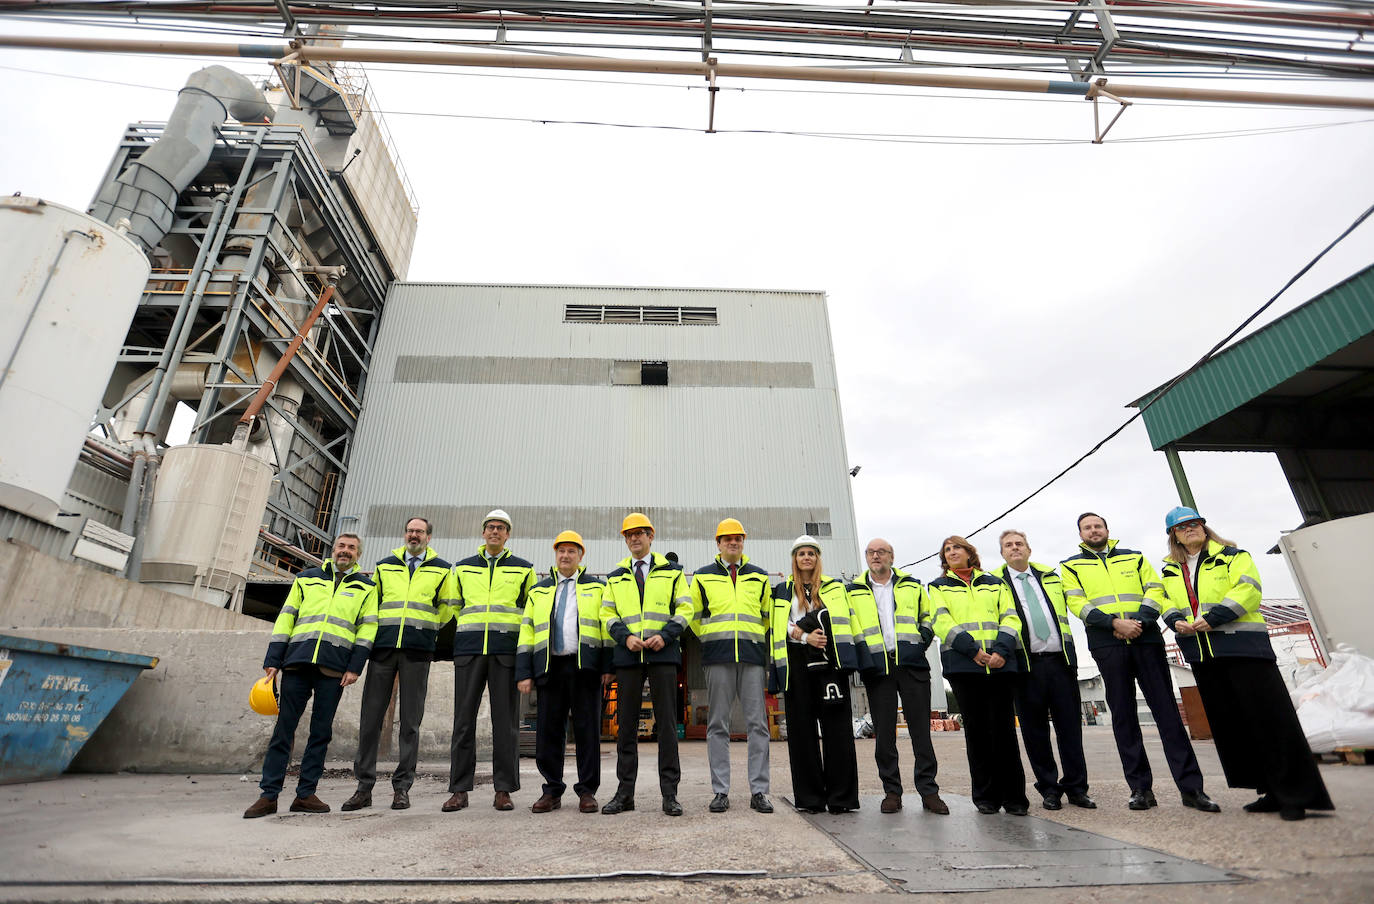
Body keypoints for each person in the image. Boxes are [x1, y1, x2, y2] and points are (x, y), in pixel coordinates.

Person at [1158, 506, 1333, 822]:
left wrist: (1213, 618)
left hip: (1243, 649)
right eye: (1182, 527)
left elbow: (1248, 590)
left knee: (1271, 722)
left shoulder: (1234, 556)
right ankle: (1269, 790)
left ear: (1205, 527)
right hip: (1203, 655)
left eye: (1195, 523)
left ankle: (1295, 794)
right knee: (1236, 726)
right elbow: (1163, 600)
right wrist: (1175, 620)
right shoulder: (1170, 569)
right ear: (1174, 535)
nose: (1190, 529)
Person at [1061, 512, 1219, 813]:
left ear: (1107, 529)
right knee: (1124, 718)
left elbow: (1155, 589)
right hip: (1108, 643)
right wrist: (1114, 624)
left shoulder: (1134, 558)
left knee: (1168, 715)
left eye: (1098, 525)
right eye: (1087, 527)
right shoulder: (1071, 566)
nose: (1093, 530)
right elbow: (1076, 602)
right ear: (1080, 534)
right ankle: (1140, 790)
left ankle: (1192, 790)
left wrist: (1140, 621)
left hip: (1146, 639)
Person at [243, 533, 377, 818]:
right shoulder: (307, 578)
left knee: (320, 732)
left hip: (334, 667)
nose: (345, 551)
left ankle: (305, 794)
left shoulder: (366, 587)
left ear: (358, 554)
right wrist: (273, 660)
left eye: (351, 548)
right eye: (341, 546)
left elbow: (367, 629)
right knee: (284, 730)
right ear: (333, 550)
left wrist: (355, 667)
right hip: (297, 662)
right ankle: (268, 795)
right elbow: (287, 617)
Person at [342, 517, 451, 813]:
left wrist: (425, 629)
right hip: (384, 648)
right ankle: (363, 788)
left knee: (411, 723)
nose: (414, 535)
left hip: (418, 650)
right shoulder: (384, 565)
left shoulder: (442, 569)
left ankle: (402, 788)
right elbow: (373, 604)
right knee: (370, 720)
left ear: (428, 536)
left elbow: (448, 606)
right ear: (405, 534)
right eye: (410, 530)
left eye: (420, 531)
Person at [599, 512, 694, 816]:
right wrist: (624, 637)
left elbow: (685, 608)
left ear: (651, 536)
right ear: (625, 539)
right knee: (625, 727)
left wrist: (666, 636)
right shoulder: (615, 576)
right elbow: (607, 614)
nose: (635, 538)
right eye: (629, 534)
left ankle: (670, 794)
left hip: (662, 654)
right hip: (628, 656)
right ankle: (625, 793)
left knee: (666, 726)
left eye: (640, 533)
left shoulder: (673, 572)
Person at [442, 509, 535, 813]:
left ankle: (503, 789)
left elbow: (528, 612)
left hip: (504, 652)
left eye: (501, 528)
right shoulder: (463, 568)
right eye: (490, 527)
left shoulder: (523, 569)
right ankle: (459, 790)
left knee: (505, 723)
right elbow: (455, 606)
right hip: (469, 650)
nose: (495, 532)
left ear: (508, 535)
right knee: (463, 722)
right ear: (483, 533)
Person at [928, 535, 1029, 815]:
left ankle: (1015, 799)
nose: (951, 552)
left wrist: (1000, 651)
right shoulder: (938, 587)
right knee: (977, 734)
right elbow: (941, 620)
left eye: (956, 547)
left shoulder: (995, 584)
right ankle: (985, 797)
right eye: (947, 550)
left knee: (1005, 732)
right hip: (965, 667)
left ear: (969, 553)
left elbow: (1011, 617)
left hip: (1000, 664)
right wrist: (973, 651)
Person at [848, 537, 948, 816]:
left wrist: (920, 643)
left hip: (911, 665)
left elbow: (929, 617)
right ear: (866, 557)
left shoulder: (912, 585)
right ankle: (892, 792)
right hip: (878, 669)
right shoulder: (854, 590)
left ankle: (929, 791)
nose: (875, 556)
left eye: (881, 552)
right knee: (884, 735)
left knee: (920, 733)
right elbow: (852, 626)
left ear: (892, 557)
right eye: (871, 552)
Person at [996, 530, 1095, 811]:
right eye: (1008, 545)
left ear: (1029, 549)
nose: (1015, 548)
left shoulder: (1050, 577)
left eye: (1019, 544)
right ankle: (1050, 789)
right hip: (1026, 667)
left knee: (1070, 729)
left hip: (1060, 661)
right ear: (1002, 553)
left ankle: (1077, 788)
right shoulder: (995, 582)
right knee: (1035, 732)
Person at [516, 530, 611, 814]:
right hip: (550, 667)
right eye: (561, 551)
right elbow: (527, 632)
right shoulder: (540, 590)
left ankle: (587, 791)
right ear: (555, 555)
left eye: (572, 551)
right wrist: (524, 672)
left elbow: (606, 628)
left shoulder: (597, 588)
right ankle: (552, 790)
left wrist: (608, 667)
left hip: (585, 668)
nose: (565, 556)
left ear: (581, 556)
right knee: (548, 731)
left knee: (587, 731)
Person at [769, 535, 860, 814]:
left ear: (817, 558)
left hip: (829, 661)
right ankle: (809, 799)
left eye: (811, 553)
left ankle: (841, 798)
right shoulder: (782, 590)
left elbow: (846, 617)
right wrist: (804, 635)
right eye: (801, 553)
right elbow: (778, 623)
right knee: (801, 731)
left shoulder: (835, 587)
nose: (806, 557)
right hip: (797, 661)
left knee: (837, 730)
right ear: (794, 558)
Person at [689, 517, 774, 814]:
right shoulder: (701, 577)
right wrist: (713, 640)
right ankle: (720, 791)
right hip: (718, 658)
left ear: (743, 542)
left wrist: (749, 640)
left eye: (738, 538)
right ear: (718, 543)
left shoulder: (760, 577)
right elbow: (694, 617)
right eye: (727, 539)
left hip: (751, 658)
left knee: (758, 726)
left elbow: (766, 618)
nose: (733, 543)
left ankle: (760, 791)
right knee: (717, 725)